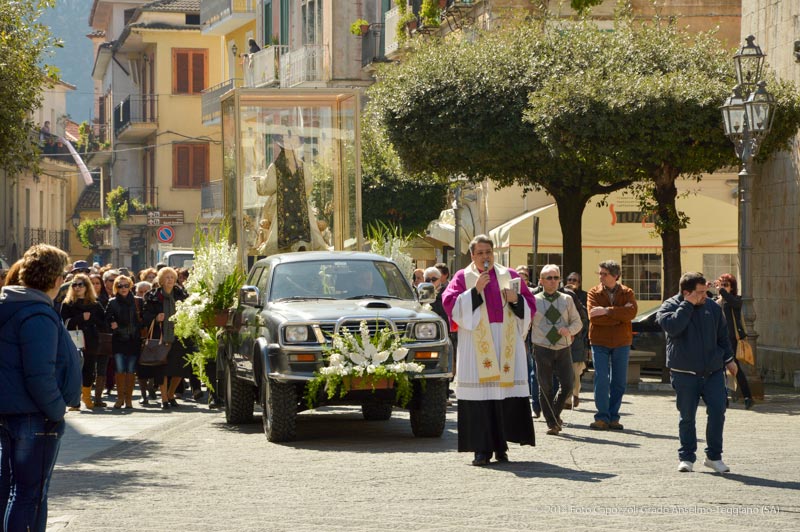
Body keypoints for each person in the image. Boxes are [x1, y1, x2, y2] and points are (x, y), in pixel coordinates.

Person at [0, 244, 81, 531]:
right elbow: (39, 374)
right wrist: (57, 409)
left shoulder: (13, 304)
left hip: (14, 411)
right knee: (29, 496)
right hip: (34, 414)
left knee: (12, 491)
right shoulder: (36, 313)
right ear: (57, 280)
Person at [442, 235, 536, 466]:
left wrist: (516, 299)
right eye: (480, 253)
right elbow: (450, 304)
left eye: (488, 252)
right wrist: (474, 291)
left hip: (505, 340)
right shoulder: (463, 277)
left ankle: (501, 447)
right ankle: (481, 450)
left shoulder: (510, 275)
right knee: (481, 396)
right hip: (476, 342)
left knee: (501, 395)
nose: (485, 257)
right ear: (472, 256)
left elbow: (529, 304)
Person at [657, 272, 736, 473]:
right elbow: (673, 328)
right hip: (684, 372)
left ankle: (714, 457)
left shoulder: (712, 307)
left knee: (718, 411)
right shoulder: (669, 306)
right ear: (686, 292)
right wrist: (687, 305)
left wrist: (728, 359)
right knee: (687, 417)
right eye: (700, 292)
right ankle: (686, 457)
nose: (705, 295)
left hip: (713, 371)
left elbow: (722, 336)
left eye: (705, 291)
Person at [530, 265, 583, 435]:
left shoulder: (567, 299)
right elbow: (523, 321)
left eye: (556, 277)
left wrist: (570, 330)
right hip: (541, 347)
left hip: (563, 347)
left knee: (568, 384)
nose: (553, 281)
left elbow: (578, 322)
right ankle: (552, 423)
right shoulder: (534, 300)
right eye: (549, 278)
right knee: (545, 387)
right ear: (541, 281)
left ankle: (554, 414)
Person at [586, 260, 637, 430]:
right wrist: (619, 315)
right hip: (599, 341)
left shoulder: (627, 292)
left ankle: (613, 416)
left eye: (604, 274)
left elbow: (631, 313)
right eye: (600, 273)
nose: (601, 277)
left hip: (622, 342)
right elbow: (594, 317)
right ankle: (602, 417)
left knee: (619, 381)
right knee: (602, 379)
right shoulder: (593, 292)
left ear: (615, 276)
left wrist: (607, 311)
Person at [143, 267, 194, 409]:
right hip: (161, 336)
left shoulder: (181, 294)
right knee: (162, 369)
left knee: (179, 368)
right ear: (161, 280)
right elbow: (145, 316)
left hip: (179, 335)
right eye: (167, 277)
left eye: (172, 277)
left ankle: (171, 393)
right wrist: (155, 317)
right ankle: (164, 398)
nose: (170, 280)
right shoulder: (153, 296)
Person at [60, 273, 106, 409]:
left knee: (90, 368)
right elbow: (64, 323)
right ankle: (75, 400)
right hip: (73, 340)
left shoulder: (95, 304)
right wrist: (80, 318)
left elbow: (103, 323)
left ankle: (86, 396)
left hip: (91, 339)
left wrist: (90, 319)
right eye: (74, 285)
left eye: (80, 284)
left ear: (87, 287)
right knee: (74, 369)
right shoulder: (67, 304)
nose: (77, 287)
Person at [714, 273, 754, 409]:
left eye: (726, 285)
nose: (723, 287)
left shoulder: (736, 300)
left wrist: (722, 291)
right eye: (721, 284)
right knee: (719, 369)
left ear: (732, 287)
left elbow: (733, 303)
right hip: (718, 339)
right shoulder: (717, 301)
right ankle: (724, 398)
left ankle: (748, 397)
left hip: (732, 339)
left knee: (735, 368)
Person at [105, 275, 142, 409]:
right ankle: (120, 398)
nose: (123, 288)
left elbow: (142, 319)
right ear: (116, 288)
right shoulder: (113, 302)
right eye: (120, 286)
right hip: (119, 340)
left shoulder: (137, 301)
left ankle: (129, 399)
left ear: (131, 286)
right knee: (120, 369)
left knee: (131, 370)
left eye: (126, 285)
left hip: (134, 340)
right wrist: (111, 323)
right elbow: (106, 318)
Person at [564, 274, 590, 409]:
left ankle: (575, 394)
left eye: (574, 280)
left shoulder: (583, 298)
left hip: (577, 341)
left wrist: (577, 334)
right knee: (564, 370)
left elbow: (585, 320)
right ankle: (567, 400)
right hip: (562, 339)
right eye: (569, 280)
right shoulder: (560, 296)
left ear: (579, 283)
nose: (571, 282)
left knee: (575, 371)